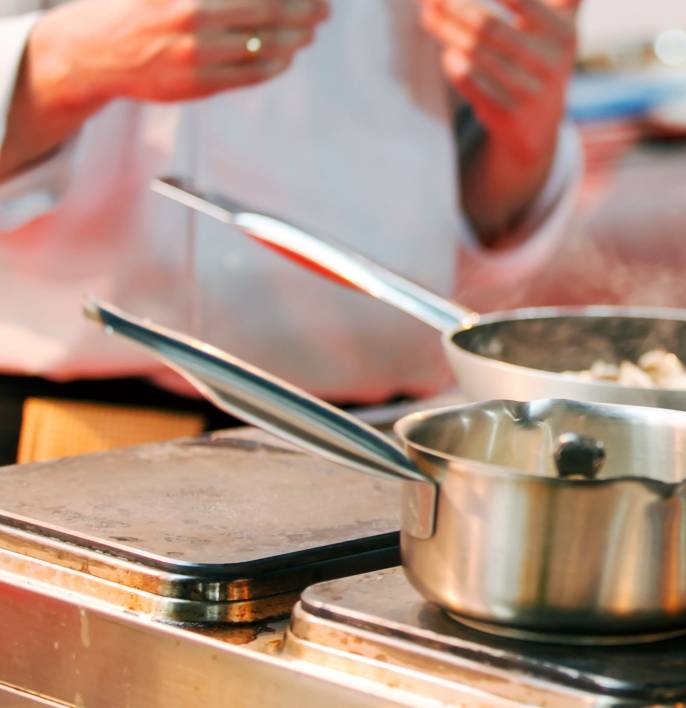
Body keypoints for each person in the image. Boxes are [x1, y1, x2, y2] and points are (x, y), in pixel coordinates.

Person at [0, 0, 584, 464]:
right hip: (78, 438)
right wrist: (57, 62)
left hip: (378, 449)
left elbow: (473, 194)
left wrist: (525, 130)